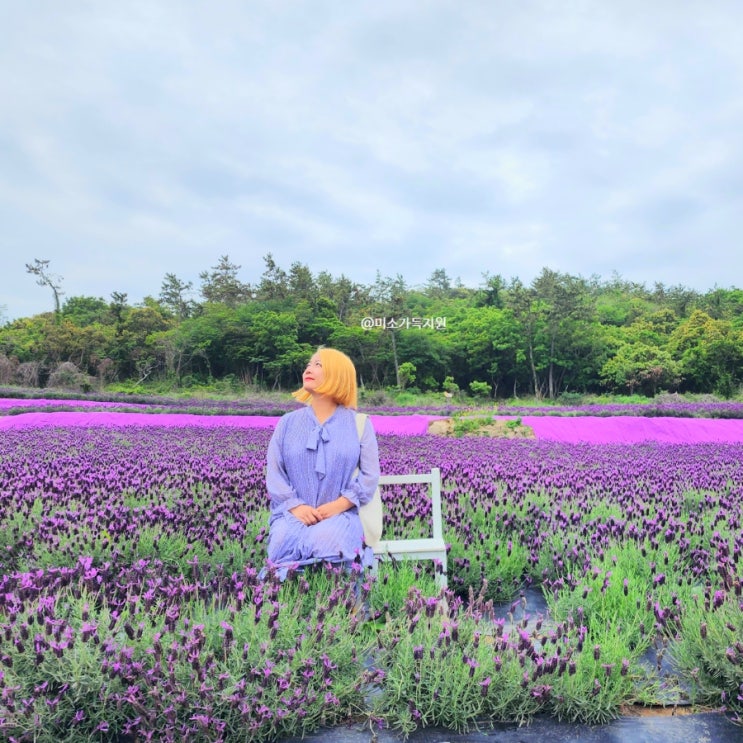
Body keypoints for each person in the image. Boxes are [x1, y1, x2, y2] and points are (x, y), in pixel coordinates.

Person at [264, 347, 380, 578]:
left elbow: (370, 476)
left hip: (341, 514)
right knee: (282, 540)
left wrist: (338, 506)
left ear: (338, 375)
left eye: (319, 365)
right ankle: (285, 609)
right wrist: (296, 506)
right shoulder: (287, 423)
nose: (309, 368)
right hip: (292, 513)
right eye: (309, 364)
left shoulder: (359, 424)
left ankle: (343, 608)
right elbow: (275, 472)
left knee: (327, 540)